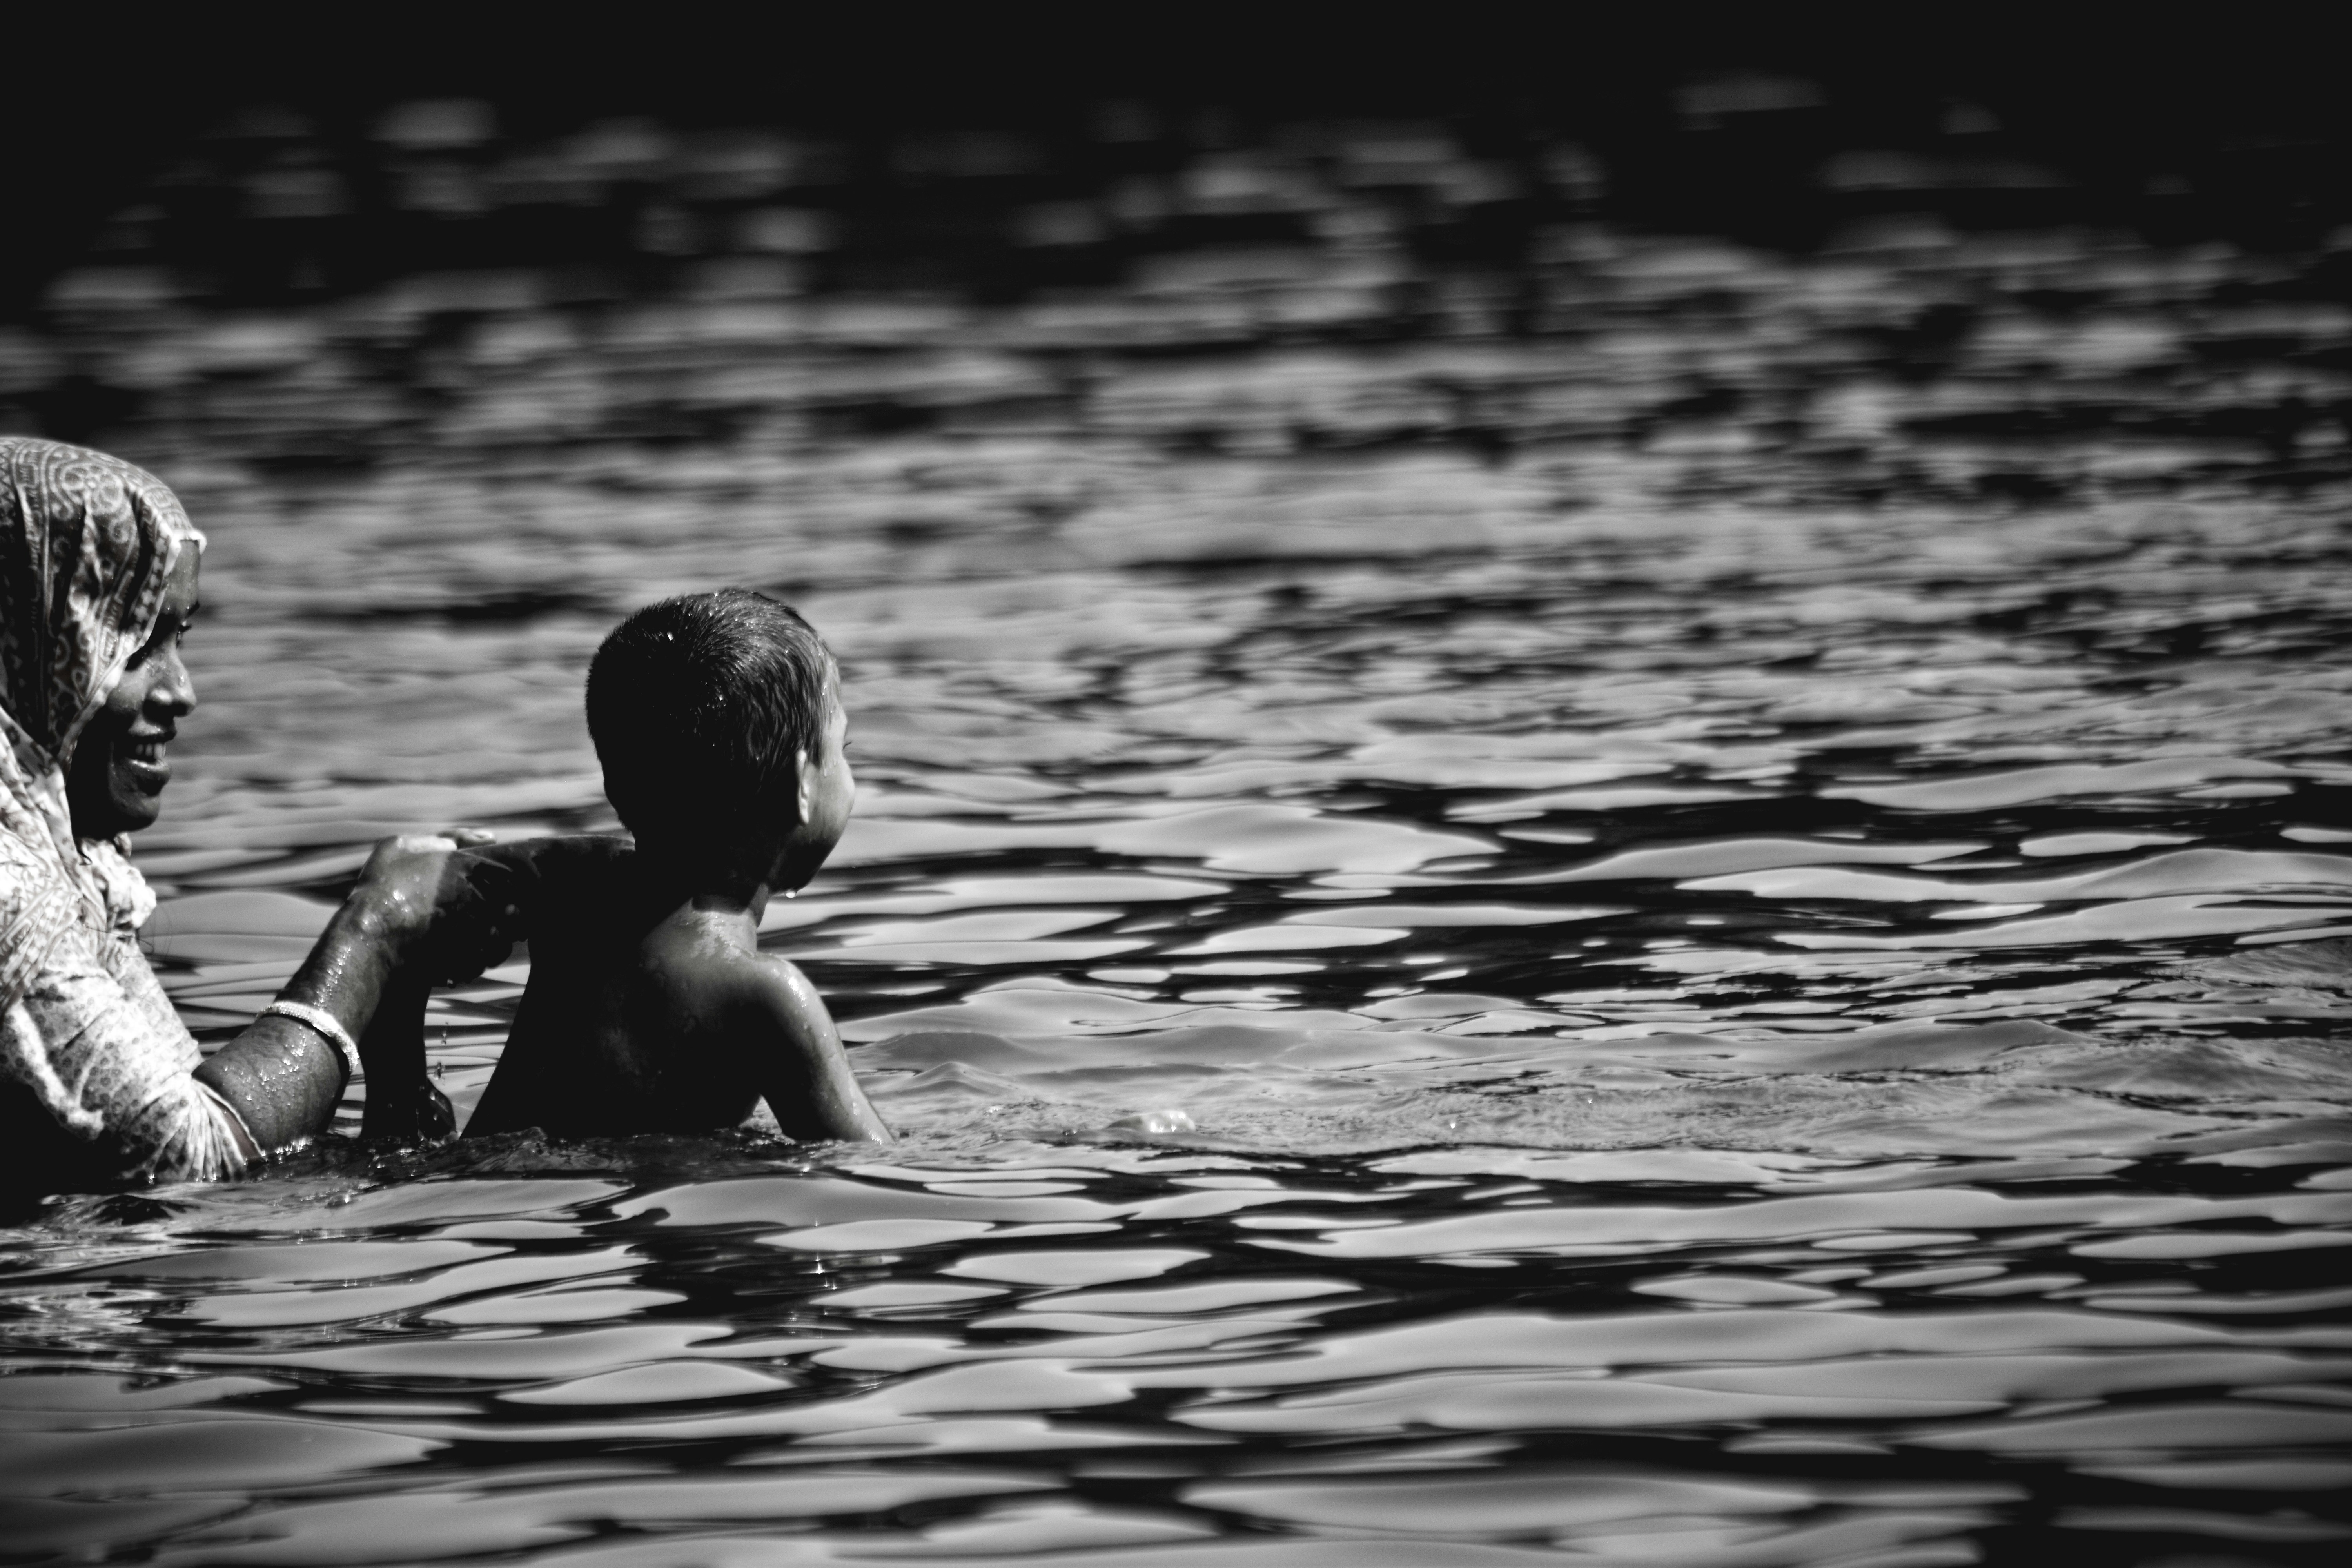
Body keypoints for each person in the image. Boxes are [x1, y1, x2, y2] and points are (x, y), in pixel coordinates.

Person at [0, 437, 480, 1196]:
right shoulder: (8, 888)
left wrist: (394, 988)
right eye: (132, 644)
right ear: (28, 645)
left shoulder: (69, 861)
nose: (181, 690)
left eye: (179, 636)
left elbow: (193, 1099)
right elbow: (193, 1155)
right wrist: (374, 932)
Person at [441, 590, 891, 1144]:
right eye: (843, 749)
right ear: (801, 784)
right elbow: (866, 1163)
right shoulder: (765, 996)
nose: (849, 773)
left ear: (612, 785)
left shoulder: (573, 914)